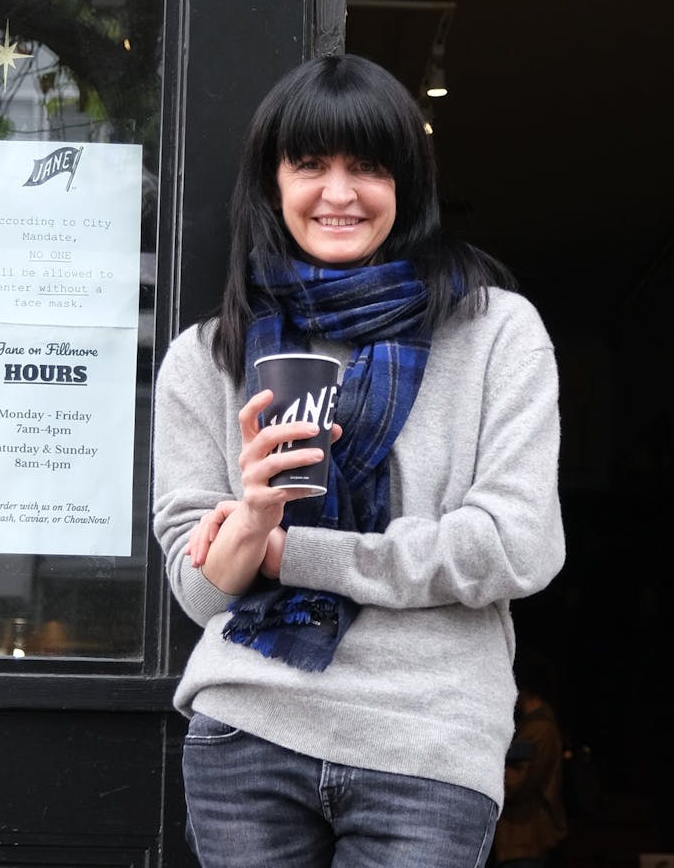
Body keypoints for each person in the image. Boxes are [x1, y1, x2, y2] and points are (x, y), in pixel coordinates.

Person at [152, 53, 566, 868]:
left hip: (428, 739)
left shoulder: (494, 332)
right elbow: (199, 589)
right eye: (310, 165)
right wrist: (254, 515)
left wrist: (292, 551)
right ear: (272, 182)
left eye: (368, 168)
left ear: (408, 184)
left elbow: (516, 544)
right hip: (249, 726)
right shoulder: (208, 358)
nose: (338, 194)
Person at [490, 658, 569, 868]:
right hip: (519, 838)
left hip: (525, 837)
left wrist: (488, 766)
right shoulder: (531, 725)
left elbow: (517, 784)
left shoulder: (540, 729)